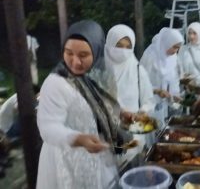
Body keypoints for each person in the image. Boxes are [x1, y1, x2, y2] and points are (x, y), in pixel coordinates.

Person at [36, 20, 123, 189]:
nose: (75, 62)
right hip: (66, 158)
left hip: (94, 152)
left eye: (83, 55)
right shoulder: (56, 83)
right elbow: (48, 127)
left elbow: (99, 105)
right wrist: (78, 138)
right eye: (68, 53)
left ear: (97, 52)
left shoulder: (92, 77)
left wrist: (123, 112)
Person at [103, 24, 155, 160]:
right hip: (105, 140)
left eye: (128, 47)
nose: (123, 51)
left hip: (133, 138)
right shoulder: (99, 71)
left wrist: (142, 113)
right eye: (119, 45)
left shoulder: (137, 70)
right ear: (109, 43)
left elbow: (148, 100)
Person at [140, 28, 184, 126]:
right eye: (174, 47)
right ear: (167, 43)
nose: (175, 51)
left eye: (178, 48)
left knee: (160, 129)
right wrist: (157, 91)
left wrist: (174, 95)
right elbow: (140, 82)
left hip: (163, 105)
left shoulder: (173, 58)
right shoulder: (150, 55)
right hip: (148, 103)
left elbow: (174, 80)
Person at [178, 22, 200, 88]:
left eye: (194, 33)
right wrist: (182, 76)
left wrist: (196, 81)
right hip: (186, 88)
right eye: (189, 33)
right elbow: (179, 66)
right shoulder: (183, 49)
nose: (191, 36)